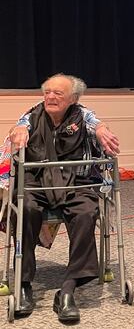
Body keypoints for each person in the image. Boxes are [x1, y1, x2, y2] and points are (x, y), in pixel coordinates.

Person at [7, 73, 120, 322]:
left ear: (73, 99)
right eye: (47, 92)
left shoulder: (82, 115)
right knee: (25, 209)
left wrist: (102, 130)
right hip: (37, 184)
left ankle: (68, 289)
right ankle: (24, 284)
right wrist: (17, 130)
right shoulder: (32, 116)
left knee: (85, 212)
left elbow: (98, 125)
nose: (50, 97)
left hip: (76, 185)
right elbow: (18, 129)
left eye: (58, 93)